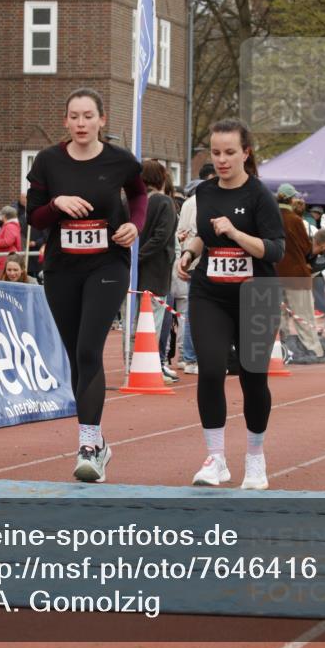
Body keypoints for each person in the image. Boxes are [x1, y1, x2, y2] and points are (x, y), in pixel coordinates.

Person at [27, 87, 147, 483]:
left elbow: (140, 194)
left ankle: (89, 445)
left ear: (101, 120)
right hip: (62, 268)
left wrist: (134, 225)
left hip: (107, 263)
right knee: (77, 355)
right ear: (66, 121)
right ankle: (97, 440)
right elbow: (35, 218)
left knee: (89, 350)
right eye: (74, 116)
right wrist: (57, 204)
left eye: (87, 116)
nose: (81, 123)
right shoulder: (47, 162)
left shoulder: (119, 160)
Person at [177, 119, 285, 491]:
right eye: (216, 152)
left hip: (257, 294)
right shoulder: (204, 193)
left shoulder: (260, 196)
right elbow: (203, 237)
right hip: (211, 293)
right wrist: (189, 252)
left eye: (229, 153)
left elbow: (275, 250)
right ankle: (216, 459)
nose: (221, 160)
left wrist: (237, 233)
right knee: (209, 370)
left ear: (246, 153)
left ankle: (255, 460)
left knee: (253, 379)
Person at [172, 162, 216, 375]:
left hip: (189, 260)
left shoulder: (188, 203)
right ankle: (191, 357)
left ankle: (187, 356)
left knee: (190, 309)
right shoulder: (208, 202)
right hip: (202, 261)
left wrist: (184, 255)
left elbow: (181, 231)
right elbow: (204, 233)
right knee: (196, 311)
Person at [137, 159, 178, 383]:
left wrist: (134, 258)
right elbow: (162, 237)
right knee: (152, 322)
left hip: (135, 272)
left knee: (135, 324)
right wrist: (141, 256)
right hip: (156, 271)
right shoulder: (165, 203)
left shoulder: (131, 202)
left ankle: (136, 365)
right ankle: (150, 367)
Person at [276, 183, 325, 363]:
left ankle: (280, 350)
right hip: (296, 274)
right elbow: (306, 248)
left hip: (274, 273)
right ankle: (314, 350)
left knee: (278, 317)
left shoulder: (270, 217)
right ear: (291, 199)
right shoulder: (295, 220)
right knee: (303, 315)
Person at [0, 205, 22, 278]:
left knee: (3, 282)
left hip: (4, 259)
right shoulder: (10, 225)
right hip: (3, 258)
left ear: (5, 216)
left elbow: (7, 242)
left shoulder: (10, 226)